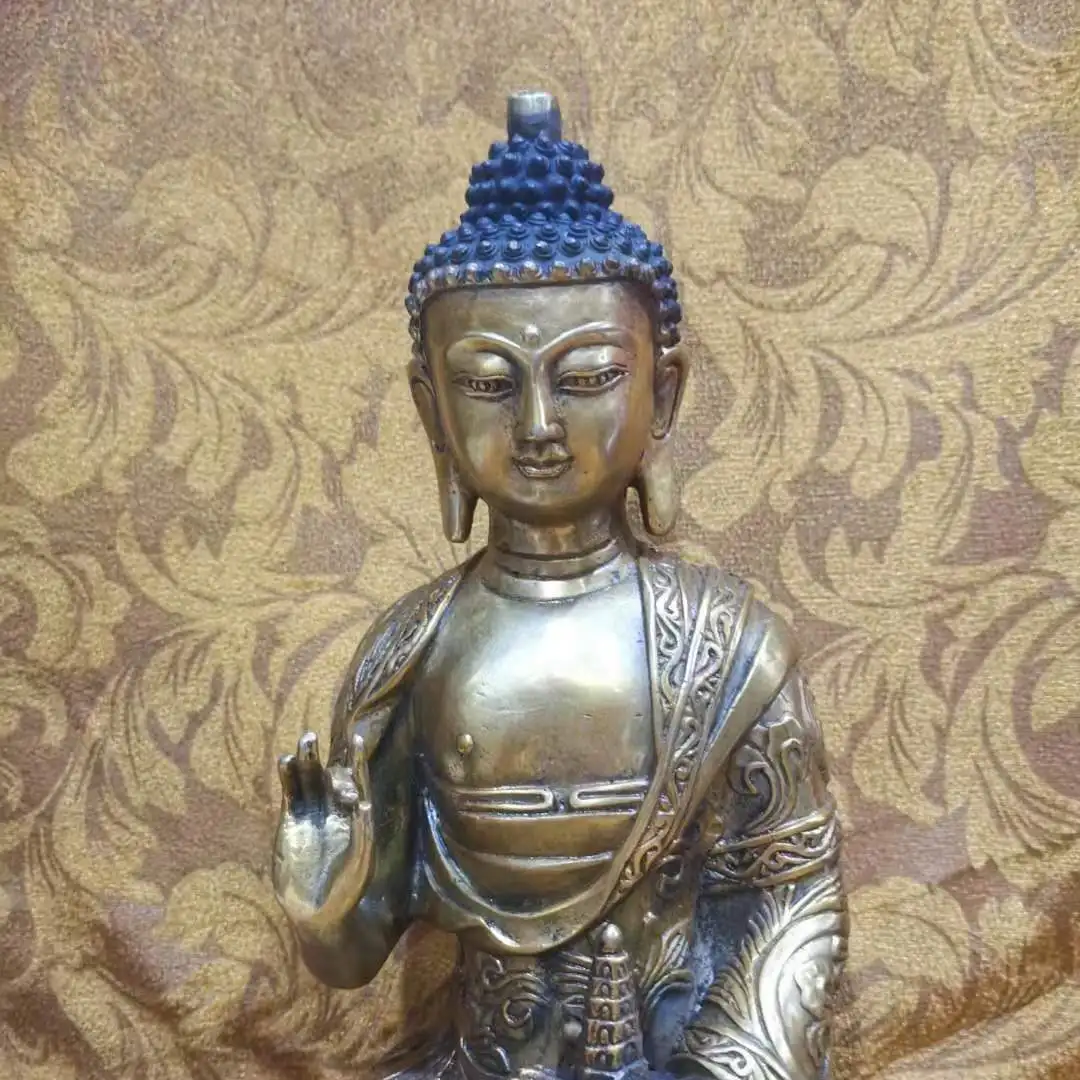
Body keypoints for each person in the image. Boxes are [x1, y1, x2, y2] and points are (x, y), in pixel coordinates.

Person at [271, 91, 847, 1080]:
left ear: (663, 391)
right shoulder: (409, 656)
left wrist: (733, 1066)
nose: (538, 424)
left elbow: (793, 906)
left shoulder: (730, 648)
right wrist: (324, 901)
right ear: (431, 408)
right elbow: (357, 954)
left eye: (584, 378)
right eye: (490, 384)